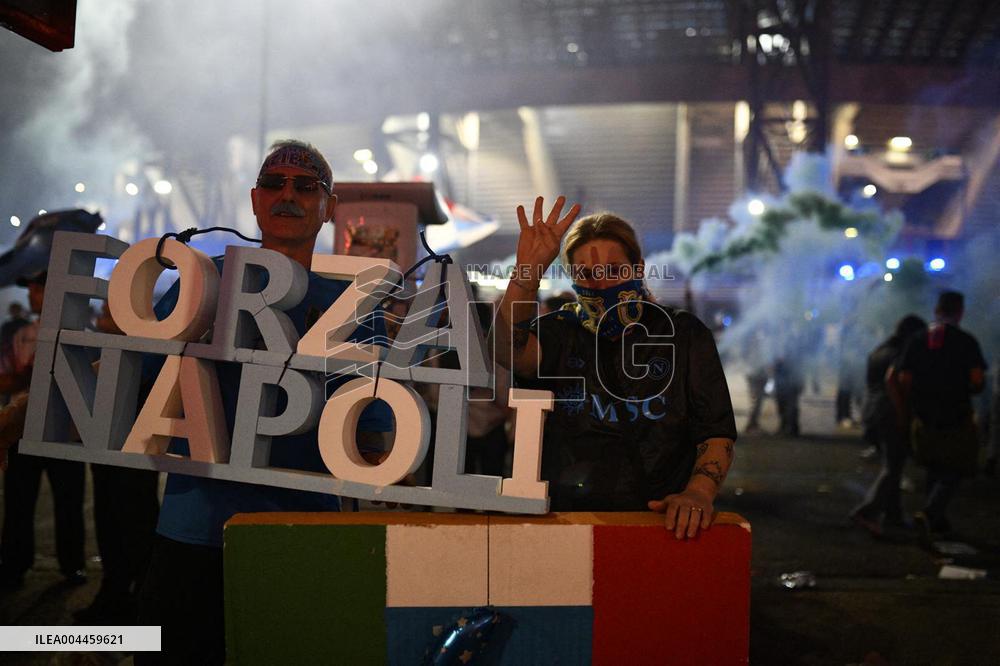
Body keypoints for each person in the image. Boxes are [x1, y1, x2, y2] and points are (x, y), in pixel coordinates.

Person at [135, 140, 394, 664]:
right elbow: (130, 378)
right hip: (194, 530)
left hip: (301, 531)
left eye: (305, 186)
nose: (287, 195)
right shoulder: (204, 281)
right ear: (255, 200)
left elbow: (374, 434)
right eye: (274, 183)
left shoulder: (354, 305)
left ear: (329, 207)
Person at [494, 198, 737, 540]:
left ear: (638, 268)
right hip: (567, 525)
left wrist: (698, 493)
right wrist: (527, 273)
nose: (601, 284)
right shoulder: (559, 332)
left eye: (614, 270)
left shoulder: (683, 334)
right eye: (587, 274)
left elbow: (715, 431)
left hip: (662, 523)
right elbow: (506, 350)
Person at [75, 302, 161, 624]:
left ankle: (136, 604)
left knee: (135, 528)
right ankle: (115, 596)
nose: (100, 320)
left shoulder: (142, 359)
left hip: (132, 462)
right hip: (105, 458)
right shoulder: (105, 355)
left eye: (109, 314)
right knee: (109, 525)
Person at [0, 271, 87, 591]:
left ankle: (72, 565)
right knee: (18, 502)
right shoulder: (14, 333)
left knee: (69, 501)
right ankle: (13, 564)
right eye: (31, 288)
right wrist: (28, 373)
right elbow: (4, 379)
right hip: (22, 433)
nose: (31, 294)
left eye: (38, 288)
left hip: (65, 432)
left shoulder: (77, 332)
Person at [891, 291, 986, 536]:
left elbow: (903, 378)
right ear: (960, 312)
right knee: (956, 467)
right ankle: (932, 512)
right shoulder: (967, 341)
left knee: (934, 465)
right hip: (957, 416)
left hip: (923, 416)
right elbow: (977, 380)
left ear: (936, 310)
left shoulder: (917, 339)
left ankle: (937, 520)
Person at [850, 314, 927, 536]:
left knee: (893, 462)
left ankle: (893, 516)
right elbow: (893, 382)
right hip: (889, 412)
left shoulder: (879, 350)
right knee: (893, 466)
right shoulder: (900, 354)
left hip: (873, 411)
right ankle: (867, 511)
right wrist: (903, 413)